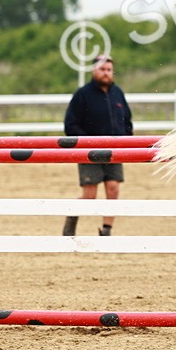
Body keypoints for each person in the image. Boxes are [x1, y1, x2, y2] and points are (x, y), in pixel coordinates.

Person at [62, 54, 133, 236]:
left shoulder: (118, 93)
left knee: (113, 189)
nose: (106, 73)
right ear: (94, 70)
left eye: (109, 70)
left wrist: (126, 140)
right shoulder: (82, 94)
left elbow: (127, 120)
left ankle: (106, 230)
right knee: (89, 195)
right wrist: (88, 142)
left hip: (114, 151)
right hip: (89, 152)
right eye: (102, 69)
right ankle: (72, 216)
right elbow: (70, 124)